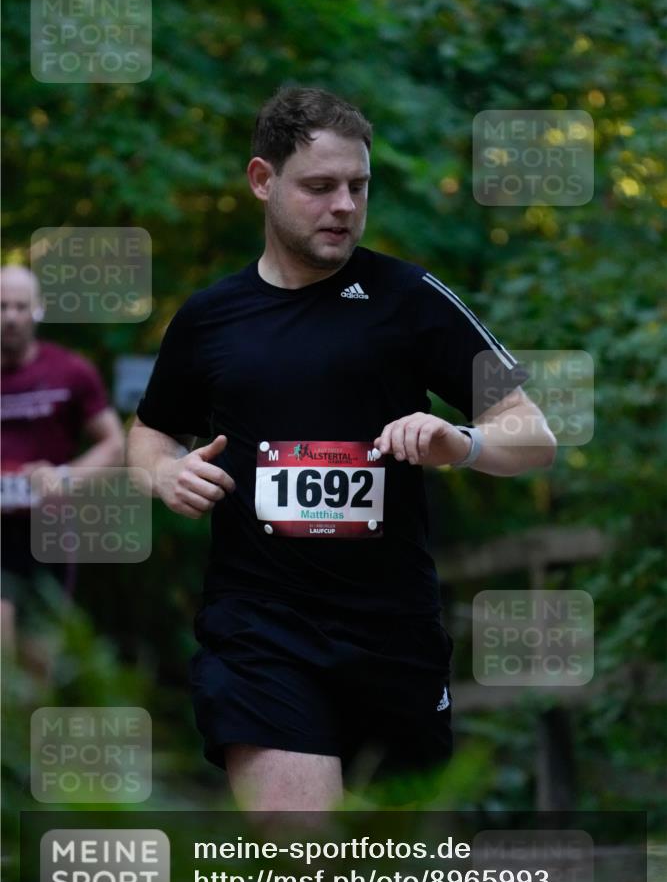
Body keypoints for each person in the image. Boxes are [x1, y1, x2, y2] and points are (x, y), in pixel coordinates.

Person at [127, 86, 556, 811]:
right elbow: (150, 431)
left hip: (392, 632)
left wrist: (462, 441)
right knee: (304, 875)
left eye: (358, 187)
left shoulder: (410, 298)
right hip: (260, 628)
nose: (344, 207)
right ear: (262, 181)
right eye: (320, 187)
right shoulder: (208, 319)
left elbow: (533, 434)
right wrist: (164, 472)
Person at [1, 264, 125, 658]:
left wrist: (63, 477)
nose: (11, 317)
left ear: (38, 309)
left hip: (47, 532)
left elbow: (114, 445)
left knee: (38, 668)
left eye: (21, 307)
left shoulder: (70, 371)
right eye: (2, 306)